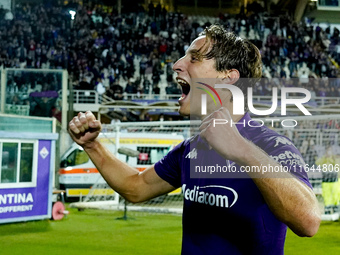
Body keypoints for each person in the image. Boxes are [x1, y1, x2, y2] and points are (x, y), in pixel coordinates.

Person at [69, 24, 320, 254]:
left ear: (228, 78)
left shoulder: (272, 145)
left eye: (194, 58)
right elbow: (135, 187)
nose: (177, 65)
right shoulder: (191, 149)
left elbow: (308, 222)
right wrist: (92, 145)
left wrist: (242, 150)